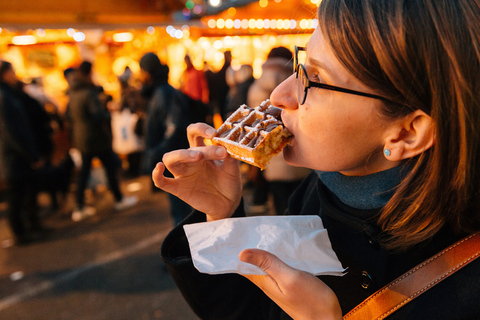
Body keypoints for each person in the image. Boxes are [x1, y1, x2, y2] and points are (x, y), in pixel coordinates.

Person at [154, 0, 480, 319]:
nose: (279, 95)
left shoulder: (465, 285)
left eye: (317, 80)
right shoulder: (317, 192)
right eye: (302, 64)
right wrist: (222, 218)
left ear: (407, 133)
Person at [66, 61, 137, 222]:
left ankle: (79, 206)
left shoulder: (73, 92)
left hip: (82, 139)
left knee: (84, 173)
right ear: (89, 73)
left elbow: (69, 116)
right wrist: (107, 111)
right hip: (95, 138)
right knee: (110, 167)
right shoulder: (88, 93)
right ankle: (119, 199)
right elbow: (97, 115)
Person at [247, 47, 311, 215]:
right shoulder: (301, 83)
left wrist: (253, 163)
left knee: (282, 210)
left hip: (272, 161)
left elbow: (254, 129)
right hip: (304, 158)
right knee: (304, 210)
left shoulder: (256, 88)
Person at [139, 52, 192, 226]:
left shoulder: (163, 93)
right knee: (180, 208)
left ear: (147, 72)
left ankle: (184, 250)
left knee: (181, 210)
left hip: (171, 158)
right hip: (170, 155)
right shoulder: (159, 92)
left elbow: (174, 127)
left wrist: (155, 152)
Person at [0, 61, 49, 244]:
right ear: (5, 73)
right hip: (14, 157)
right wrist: (31, 155)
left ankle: (30, 226)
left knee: (27, 192)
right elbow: (11, 131)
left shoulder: (10, 93)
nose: (15, 75)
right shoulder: (4, 96)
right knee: (16, 196)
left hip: (18, 155)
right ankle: (20, 233)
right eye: (12, 71)